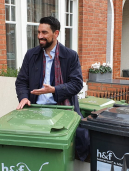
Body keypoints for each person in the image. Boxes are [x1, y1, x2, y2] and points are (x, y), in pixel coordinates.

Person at [15, 16, 89, 161]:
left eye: (44, 33)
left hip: (63, 110)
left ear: (56, 34)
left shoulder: (70, 56)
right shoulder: (31, 55)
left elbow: (77, 83)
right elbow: (21, 81)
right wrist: (23, 97)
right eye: (38, 32)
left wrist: (55, 90)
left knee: (82, 135)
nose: (40, 36)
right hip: (35, 109)